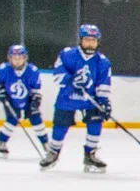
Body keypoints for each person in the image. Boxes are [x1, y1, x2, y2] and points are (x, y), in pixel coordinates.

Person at [41, 24, 112, 172]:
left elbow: (103, 83)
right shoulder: (67, 55)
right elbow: (57, 74)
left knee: (95, 123)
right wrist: (71, 81)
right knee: (60, 125)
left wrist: (104, 102)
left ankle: (90, 154)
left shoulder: (103, 62)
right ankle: (53, 152)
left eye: (93, 40)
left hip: (90, 100)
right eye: (87, 40)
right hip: (67, 98)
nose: (90, 43)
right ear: (80, 40)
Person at [0, 44, 48, 158]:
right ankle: (1, 143)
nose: (17, 61)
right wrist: (1, 94)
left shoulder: (32, 70)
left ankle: (46, 144)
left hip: (28, 99)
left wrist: (35, 99)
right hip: (10, 99)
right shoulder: (3, 69)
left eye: (20, 58)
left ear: (25, 58)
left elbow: (36, 88)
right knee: (12, 120)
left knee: (36, 119)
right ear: (9, 58)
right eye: (14, 58)